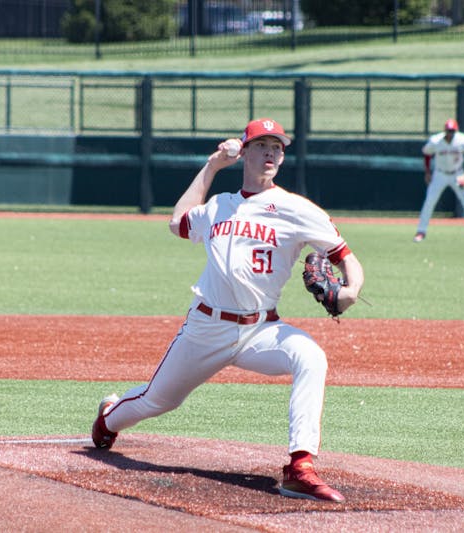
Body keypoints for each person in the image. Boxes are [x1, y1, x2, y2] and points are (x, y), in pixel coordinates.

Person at [91, 118, 365, 503]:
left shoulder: (297, 209)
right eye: (262, 146)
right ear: (245, 152)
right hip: (206, 326)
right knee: (158, 400)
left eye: (278, 147)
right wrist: (213, 165)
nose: (271, 153)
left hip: (261, 331)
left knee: (311, 358)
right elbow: (177, 222)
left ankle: (299, 467)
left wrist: (351, 290)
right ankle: (108, 417)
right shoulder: (219, 206)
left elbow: (345, 257)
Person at [414, 118, 464, 243]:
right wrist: (427, 172)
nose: (450, 133)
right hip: (439, 174)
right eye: (448, 131)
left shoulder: (461, 140)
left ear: (456, 131)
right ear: (445, 130)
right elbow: (426, 153)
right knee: (429, 201)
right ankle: (421, 231)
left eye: (452, 131)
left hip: (457, 174)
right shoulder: (436, 141)